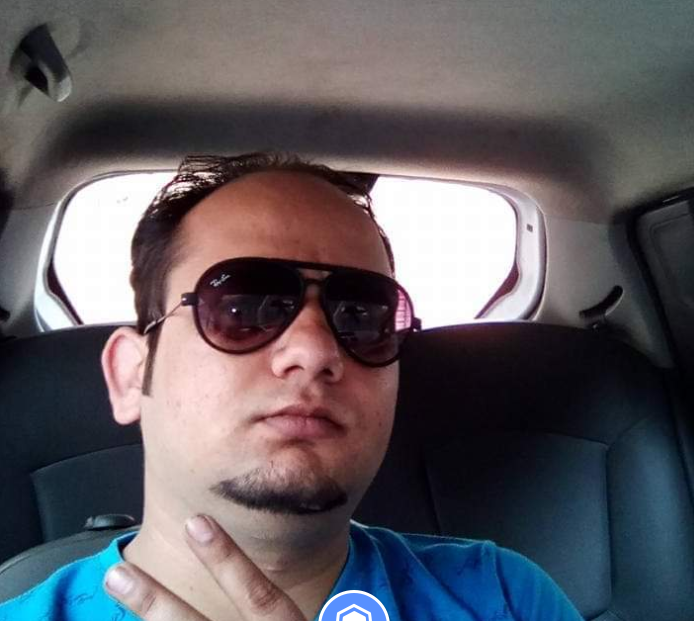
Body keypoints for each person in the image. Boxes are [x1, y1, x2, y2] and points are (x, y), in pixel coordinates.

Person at [0, 153, 583, 621]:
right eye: (241, 307)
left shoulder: (506, 597)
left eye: (361, 318)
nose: (315, 350)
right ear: (131, 375)